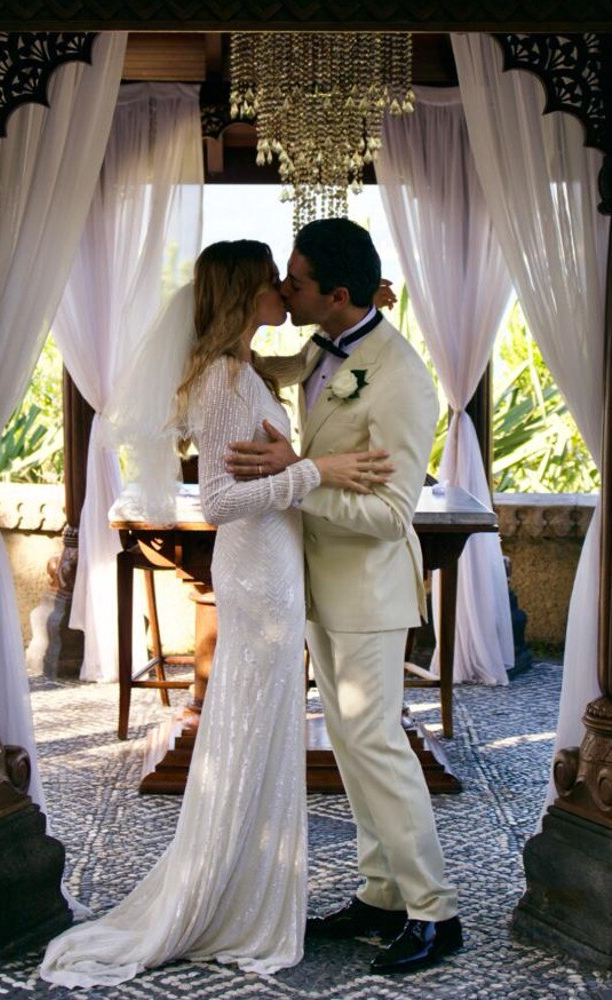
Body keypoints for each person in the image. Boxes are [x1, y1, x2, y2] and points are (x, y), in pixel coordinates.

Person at [39, 239, 393, 989]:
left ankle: (244, 888)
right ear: (243, 296)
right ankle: (228, 899)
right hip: (258, 575)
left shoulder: (246, 369)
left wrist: (362, 315)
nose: (280, 290)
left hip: (273, 570)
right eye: (270, 281)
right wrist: (316, 470)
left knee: (258, 733)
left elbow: (306, 381)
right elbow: (223, 502)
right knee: (247, 732)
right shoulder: (225, 382)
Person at [225, 218, 462, 975]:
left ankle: (435, 910)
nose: (284, 290)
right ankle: (380, 892)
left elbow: (392, 515)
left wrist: (300, 473)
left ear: (336, 293)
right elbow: (286, 378)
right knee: (356, 753)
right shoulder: (323, 346)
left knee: (380, 751)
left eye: (294, 282)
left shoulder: (399, 378)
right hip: (321, 588)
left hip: (368, 591)